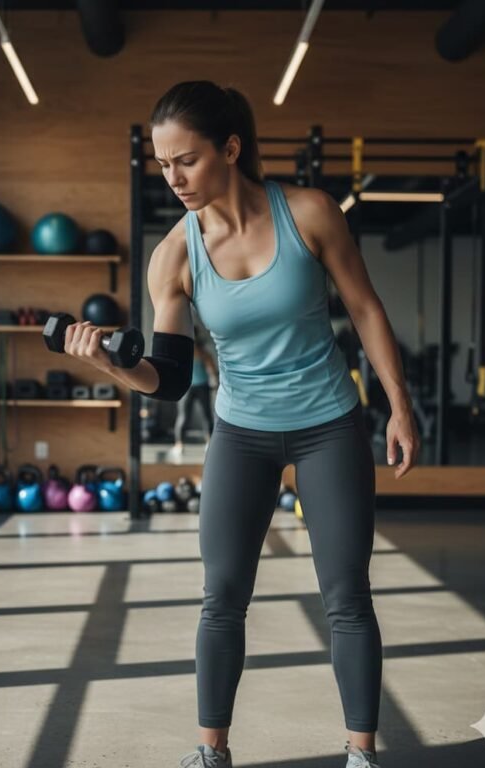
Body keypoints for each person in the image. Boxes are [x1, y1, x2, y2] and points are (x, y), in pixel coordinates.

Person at [60, 80, 420, 768]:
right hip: (241, 433)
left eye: (186, 160)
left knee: (346, 593)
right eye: (163, 165)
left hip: (329, 426)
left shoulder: (309, 213)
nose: (174, 179)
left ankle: (362, 754)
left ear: (230, 148)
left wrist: (398, 404)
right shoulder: (174, 255)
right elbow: (167, 380)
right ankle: (211, 753)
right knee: (222, 595)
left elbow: (367, 308)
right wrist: (111, 364)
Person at [169, 324, 219, 460]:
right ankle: (179, 444)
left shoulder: (202, 352)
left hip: (202, 386)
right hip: (186, 387)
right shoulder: (181, 352)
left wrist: (215, 381)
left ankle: (209, 442)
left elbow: (211, 367)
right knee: (183, 416)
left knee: (206, 415)